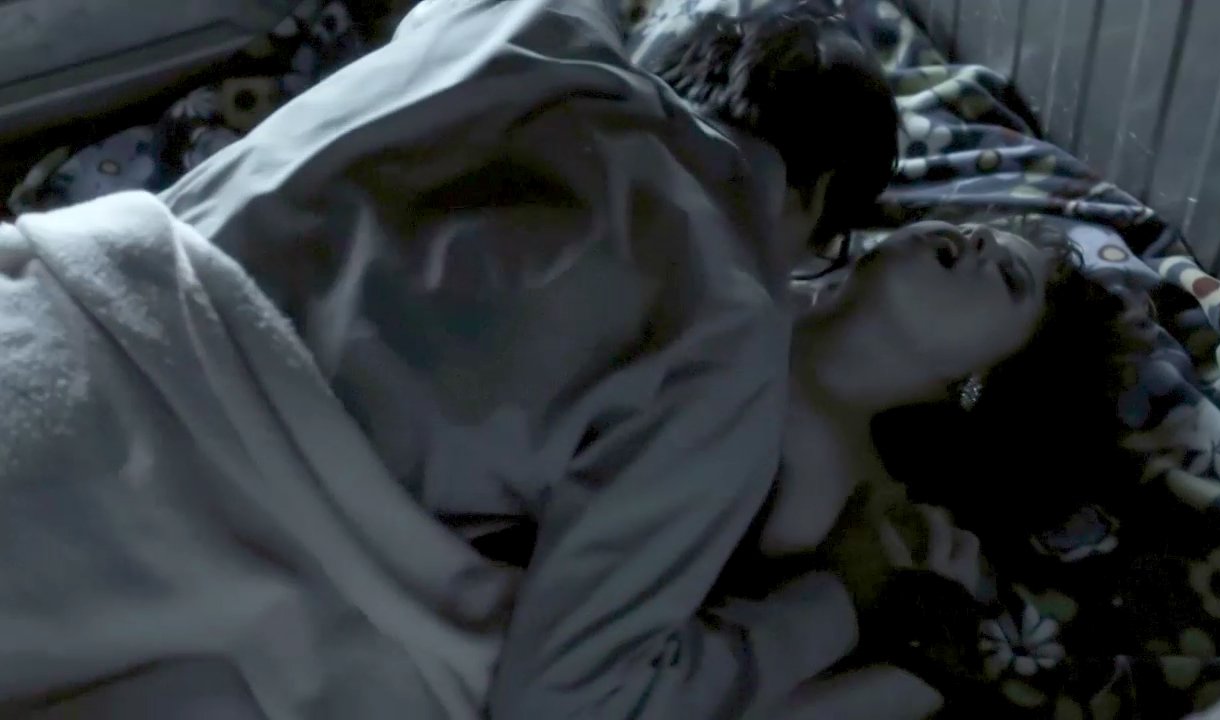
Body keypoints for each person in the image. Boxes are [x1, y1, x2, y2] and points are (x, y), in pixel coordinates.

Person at [153, 0, 912, 718]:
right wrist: (836, 604)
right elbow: (568, 701)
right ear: (817, 201)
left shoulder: (519, 18)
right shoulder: (728, 333)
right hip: (165, 510)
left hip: (102, 284)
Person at [731, 216, 1154, 716]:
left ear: (978, 382)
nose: (978, 237)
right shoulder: (736, 259)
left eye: (1010, 278)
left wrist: (912, 674)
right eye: (971, 226)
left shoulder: (850, 516)